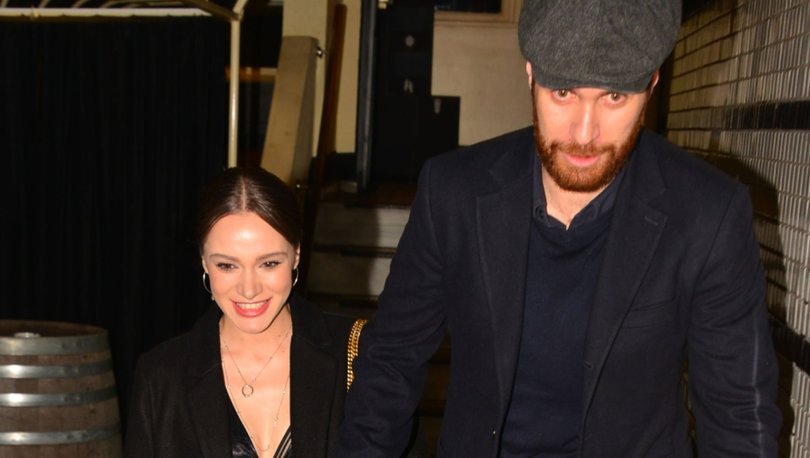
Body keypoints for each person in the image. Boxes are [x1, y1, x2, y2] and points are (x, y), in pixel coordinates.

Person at [337, 0, 782, 456]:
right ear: (531, 74)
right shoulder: (453, 193)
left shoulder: (708, 214)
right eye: (564, 93)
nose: (584, 134)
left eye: (614, 97)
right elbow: (390, 363)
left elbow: (738, 415)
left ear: (651, 85)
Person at [125, 167, 357, 457]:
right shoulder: (160, 376)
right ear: (204, 262)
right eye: (227, 265)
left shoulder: (358, 354)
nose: (249, 290)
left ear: (296, 254)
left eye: (269, 263)